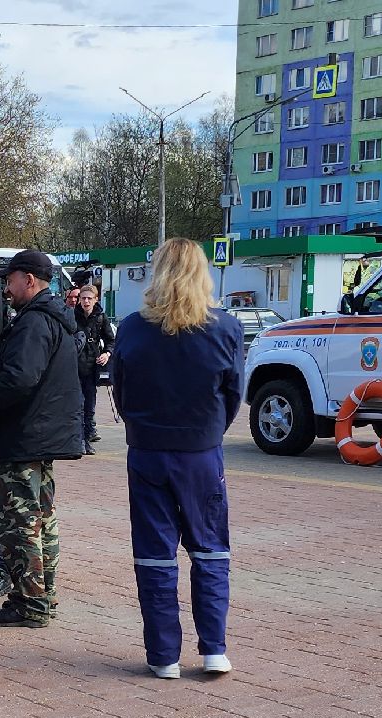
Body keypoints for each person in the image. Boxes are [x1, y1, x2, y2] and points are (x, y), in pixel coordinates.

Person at [110, 238, 243, 679]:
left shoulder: (131, 327)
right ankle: (214, 649)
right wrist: (208, 431)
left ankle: (164, 655)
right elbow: (232, 394)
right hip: (202, 452)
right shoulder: (225, 328)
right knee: (209, 549)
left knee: (154, 554)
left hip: (147, 450)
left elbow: (121, 392)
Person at [0, 249, 84, 628]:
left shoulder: (34, 323)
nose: (5, 287)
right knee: (41, 520)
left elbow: (20, 378)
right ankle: (43, 596)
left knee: (19, 523)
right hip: (41, 436)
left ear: (28, 280)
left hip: (24, 437)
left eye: (9, 280)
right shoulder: (51, 318)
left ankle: (30, 604)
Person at [73, 284, 116, 454]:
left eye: (89, 298)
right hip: (75, 365)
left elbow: (111, 340)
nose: (86, 301)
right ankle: (80, 439)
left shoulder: (100, 317)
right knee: (78, 403)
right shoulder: (72, 316)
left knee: (89, 403)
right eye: (83, 298)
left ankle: (89, 434)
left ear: (96, 299)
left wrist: (107, 353)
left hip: (92, 366)